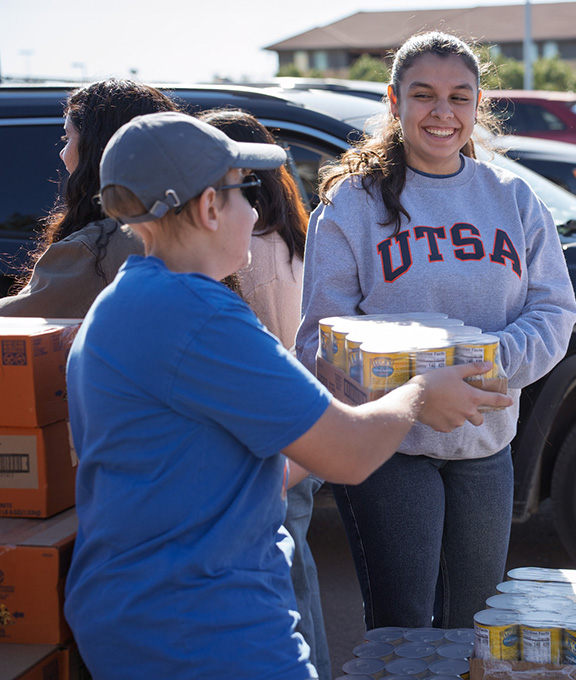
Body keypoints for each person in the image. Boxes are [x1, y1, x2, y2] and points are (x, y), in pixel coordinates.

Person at [64, 111, 513, 679]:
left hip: (143, 621)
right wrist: (421, 392)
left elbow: (255, 472)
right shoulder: (200, 317)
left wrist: (345, 393)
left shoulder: (128, 301)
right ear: (207, 208)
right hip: (206, 633)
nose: (255, 211)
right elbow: (349, 455)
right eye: (244, 192)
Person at [294, 31, 576, 630]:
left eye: (460, 97)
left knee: (475, 623)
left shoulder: (514, 199)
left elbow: (556, 312)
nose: (443, 113)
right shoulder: (351, 205)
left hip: (485, 443)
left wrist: (485, 363)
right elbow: (320, 339)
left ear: (479, 106)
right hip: (387, 448)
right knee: (405, 628)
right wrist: (416, 388)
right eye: (424, 95)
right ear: (394, 102)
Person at [199, 107, 331, 680]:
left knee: (290, 574)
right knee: (294, 564)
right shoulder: (293, 238)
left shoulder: (254, 255)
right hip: (298, 430)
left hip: (277, 440)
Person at [0, 78, 178, 316]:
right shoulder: (193, 227)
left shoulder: (93, 250)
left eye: (67, 138)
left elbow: (12, 322)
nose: (62, 153)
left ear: (96, 147)